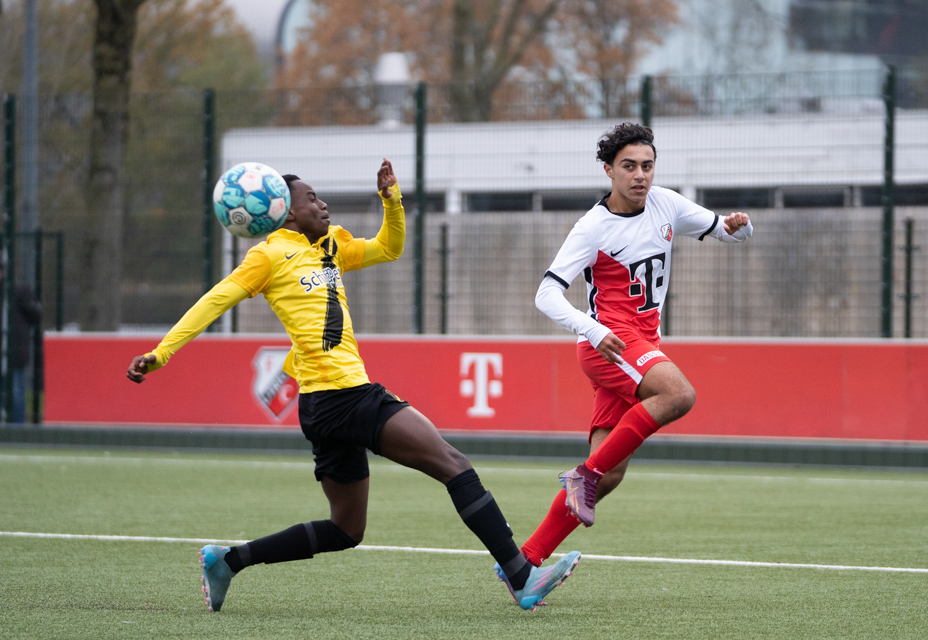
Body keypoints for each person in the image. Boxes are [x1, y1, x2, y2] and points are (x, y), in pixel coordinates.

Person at [126, 159, 580, 612]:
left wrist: (392, 201)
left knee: (346, 530)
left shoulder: (331, 244)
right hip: (341, 395)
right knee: (454, 464)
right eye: (312, 199)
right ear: (285, 212)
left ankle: (228, 561)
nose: (323, 205)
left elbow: (389, 248)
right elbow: (213, 301)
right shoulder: (267, 256)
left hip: (324, 404)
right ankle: (521, 576)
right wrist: (162, 352)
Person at [515, 123, 754, 568]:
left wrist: (740, 226)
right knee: (678, 394)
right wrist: (590, 329)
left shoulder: (666, 203)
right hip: (609, 345)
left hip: (638, 344)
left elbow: (726, 231)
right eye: (629, 166)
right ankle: (581, 477)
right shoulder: (592, 228)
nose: (640, 175)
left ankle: (524, 563)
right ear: (609, 170)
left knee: (611, 474)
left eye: (647, 165)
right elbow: (545, 293)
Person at [0, 263, 42, 423]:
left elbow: (36, 315)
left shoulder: (18, 291)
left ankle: (18, 429)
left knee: (15, 392)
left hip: (14, 353)